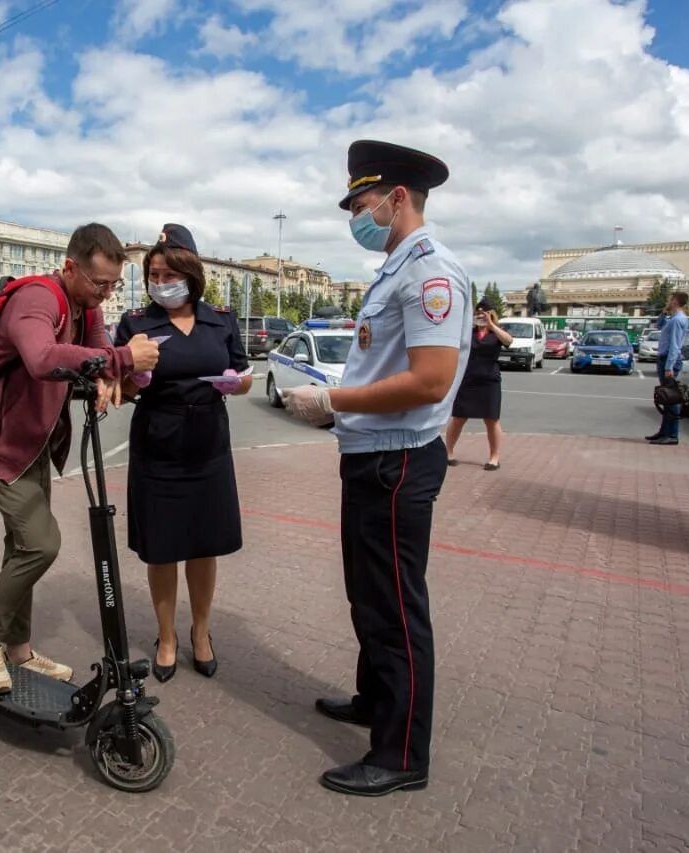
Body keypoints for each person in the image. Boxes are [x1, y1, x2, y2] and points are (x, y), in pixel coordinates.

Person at [282, 140, 471, 797]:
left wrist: (332, 399)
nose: (355, 218)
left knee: (393, 606)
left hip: (396, 460)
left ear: (396, 199)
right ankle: (375, 699)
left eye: (362, 204)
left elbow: (429, 380)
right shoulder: (397, 268)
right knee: (369, 594)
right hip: (371, 456)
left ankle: (400, 752)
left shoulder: (429, 273)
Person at [0, 223, 162, 696]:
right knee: (40, 545)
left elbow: (99, 356)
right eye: (100, 284)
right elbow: (40, 357)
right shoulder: (37, 298)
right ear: (70, 267)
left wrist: (122, 375)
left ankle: (18, 650)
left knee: (21, 547)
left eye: (114, 286)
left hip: (32, 442)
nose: (107, 295)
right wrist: (120, 360)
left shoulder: (83, 306)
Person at [114, 224, 251, 683]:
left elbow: (245, 374)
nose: (160, 281)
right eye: (153, 273)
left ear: (191, 273)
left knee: (204, 544)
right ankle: (167, 636)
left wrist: (237, 382)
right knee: (163, 548)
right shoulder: (136, 322)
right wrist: (135, 379)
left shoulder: (221, 319)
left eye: (169, 272)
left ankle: (202, 633)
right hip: (159, 444)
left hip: (209, 443)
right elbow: (119, 385)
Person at [445, 298, 513, 470]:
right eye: (477, 314)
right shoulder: (469, 332)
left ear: (491, 314)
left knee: (491, 419)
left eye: (484, 314)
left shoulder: (497, 333)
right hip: (468, 379)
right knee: (459, 418)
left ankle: (494, 457)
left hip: (489, 381)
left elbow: (508, 341)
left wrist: (491, 325)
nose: (480, 317)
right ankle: (448, 452)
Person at [646, 291, 689, 446]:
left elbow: (675, 345)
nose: (668, 301)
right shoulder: (672, 318)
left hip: (669, 360)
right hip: (664, 359)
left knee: (671, 399)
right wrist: (664, 313)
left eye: (670, 299)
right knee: (666, 397)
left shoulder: (678, 320)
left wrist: (669, 366)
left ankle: (672, 435)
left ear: (676, 301)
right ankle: (664, 432)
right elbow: (659, 326)